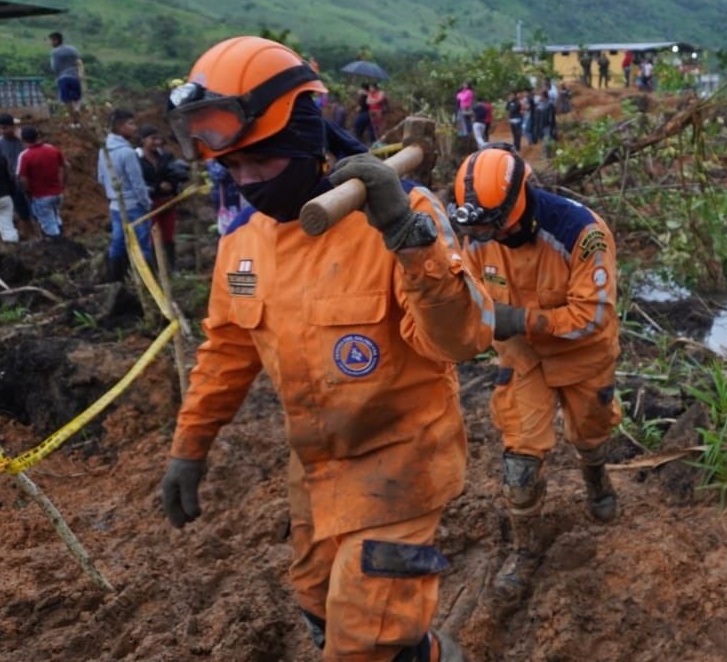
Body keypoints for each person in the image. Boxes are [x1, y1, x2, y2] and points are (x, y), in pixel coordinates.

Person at [159, 35, 491, 662]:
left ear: (306, 143)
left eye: (262, 163)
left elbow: (464, 340)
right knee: (316, 603)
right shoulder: (243, 246)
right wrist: (189, 445)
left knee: (365, 642)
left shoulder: (404, 215)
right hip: (314, 471)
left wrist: (405, 235)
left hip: (403, 467)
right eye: (233, 169)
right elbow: (226, 353)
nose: (248, 182)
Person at [451, 145, 622, 609]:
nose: (486, 236)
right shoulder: (478, 234)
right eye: (478, 228)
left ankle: (596, 478)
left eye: (493, 225)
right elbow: (468, 294)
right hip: (524, 359)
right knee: (519, 463)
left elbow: (594, 314)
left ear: (520, 199)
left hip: (583, 354)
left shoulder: (579, 232)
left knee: (590, 432)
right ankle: (524, 548)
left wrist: (521, 320)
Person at [97, 109, 154, 282]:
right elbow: (137, 183)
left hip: (115, 205)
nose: (135, 128)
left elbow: (100, 178)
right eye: (131, 124)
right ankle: (149, 280)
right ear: (121, 127)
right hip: (133, 206)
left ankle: (116, 281)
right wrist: (146, 203)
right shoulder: (127, 153)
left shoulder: (104, 150)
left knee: (118, 243)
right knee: (143, 243)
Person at [138, 125, 191, 270]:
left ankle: (170, 267)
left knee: (168, 235)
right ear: (143, 140)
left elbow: (178, 174)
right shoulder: (137, 159)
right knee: (152, 236)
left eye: (158, 138)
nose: (156, 142)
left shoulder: (166, 156)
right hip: (150, 203)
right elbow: (137, 182)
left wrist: (171, 185)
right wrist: (156, 187)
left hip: (168, 201)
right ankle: (156, 269)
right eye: (152, 139)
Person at [15, 126, 68, 238]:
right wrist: (62, 184)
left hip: (40, 195)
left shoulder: (25, 156)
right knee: (55, 217)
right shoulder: (52, 149)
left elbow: (22, 178)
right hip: (57, 193)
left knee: (48, 224)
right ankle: (63, 240)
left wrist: (28, 192)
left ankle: (58, 246)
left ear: (23, 140)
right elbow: (65, 166)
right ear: (38, 136)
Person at [0, 113, 32, 224]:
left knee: (37, 209)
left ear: (13, 127)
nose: (2, 131)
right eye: (0, 128)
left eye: (5, 128)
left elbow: (34, 150)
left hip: (30, 180)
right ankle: (32, 234)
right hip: (13, 183)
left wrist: (21, 138)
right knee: (22, 212)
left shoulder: (23, 140)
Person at [47, 32, 83, 126]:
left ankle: (74, 120)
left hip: (62, 78)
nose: (50, 43)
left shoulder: (55, 52)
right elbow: (79, 62)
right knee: (78, 98)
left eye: (51, 40)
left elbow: (54, 68)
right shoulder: (73, 49)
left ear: (56, 40)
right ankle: (77, 112)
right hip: (75, 77)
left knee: (66, 100)